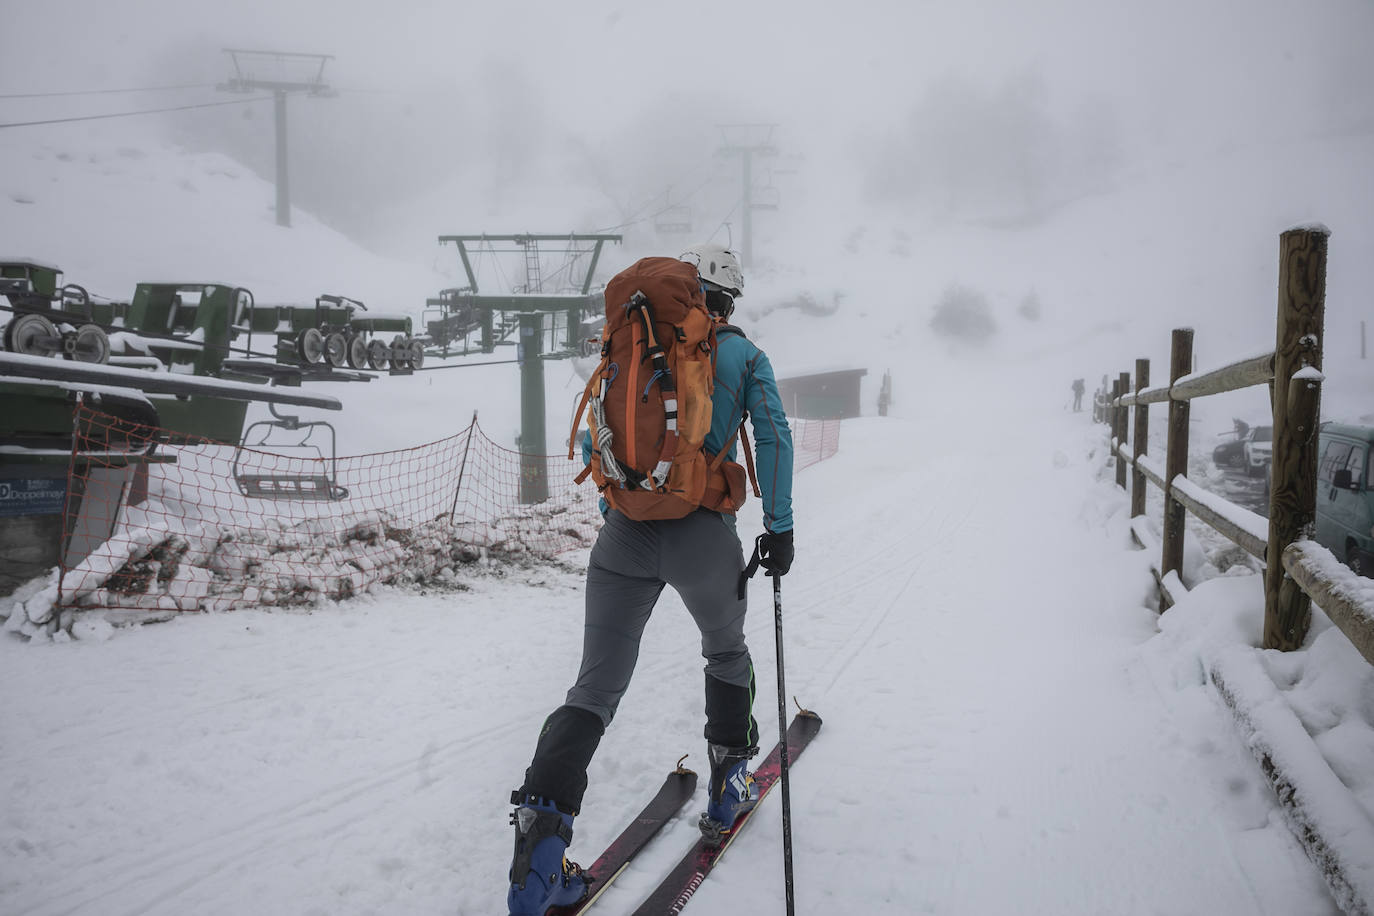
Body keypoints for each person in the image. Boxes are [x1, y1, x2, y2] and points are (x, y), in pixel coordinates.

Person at [505, 243, 795, 916]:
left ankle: (537, 863)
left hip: (624, 539)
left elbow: (599, 442)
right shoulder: (746, 358)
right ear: (728, 303)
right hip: (703, 539)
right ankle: (729, 786)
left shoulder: (639, 347)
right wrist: (778, 530)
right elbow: (774, 440)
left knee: (593, 690)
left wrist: (623, 510)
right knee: (725, 650)